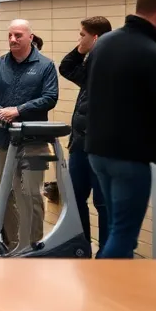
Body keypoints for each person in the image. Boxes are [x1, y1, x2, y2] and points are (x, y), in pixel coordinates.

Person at [86, 0, 156, 259]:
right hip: (130, 159)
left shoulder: (105, 42)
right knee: (123, 237)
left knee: (114, 230)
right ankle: (106, 297)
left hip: (98, 152)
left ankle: (108, 293)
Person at [0, 19, 59, 251]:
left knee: (31, 194)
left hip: (34, 140)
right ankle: (13, 245)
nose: (13, 40)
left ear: (30, 37)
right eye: (10, 35)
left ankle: (32, 247)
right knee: (6, 194)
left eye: (18, 36)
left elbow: (50, 97)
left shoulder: (45, 66)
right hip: (3, 140)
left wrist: (18, 110)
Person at [59, 15, 112, 253]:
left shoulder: (112, 65)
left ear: (96, 37)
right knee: (76, 199)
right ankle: (81, 248)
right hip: (80, 144)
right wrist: (81, 49)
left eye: (82, 35)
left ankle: (107, 255)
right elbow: (66, 67)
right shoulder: (90, 63)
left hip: (102, 148)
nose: (79, 39)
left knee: (103, 203)